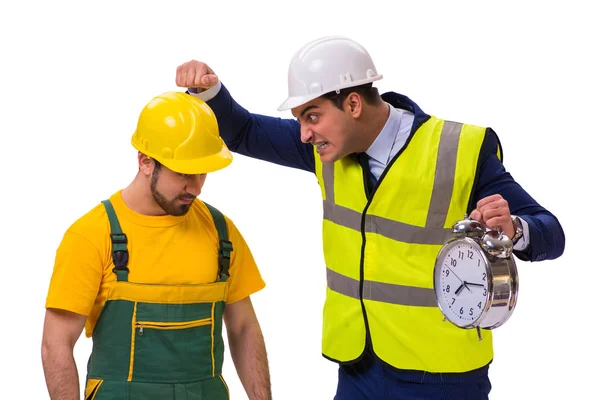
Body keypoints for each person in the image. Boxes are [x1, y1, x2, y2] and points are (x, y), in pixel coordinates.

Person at [174, 36, 565, 399]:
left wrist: (515, 229)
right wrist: (209, 91)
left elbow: (552, 233)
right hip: (359, 369)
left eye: (311, 116)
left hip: (444, 378)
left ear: (353, 105)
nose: (304, 133)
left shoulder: (459, 150)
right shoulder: (324, 149)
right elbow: (244, 132)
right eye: (299, 120)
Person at [41, 92, 272, 400]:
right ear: (146, 161)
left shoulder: (221, 233)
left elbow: (244, 328)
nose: (196, 186)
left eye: (203, 172)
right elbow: (55, 344)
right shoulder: (93, 235)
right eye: (184, 173)